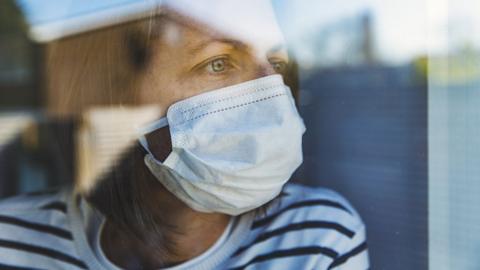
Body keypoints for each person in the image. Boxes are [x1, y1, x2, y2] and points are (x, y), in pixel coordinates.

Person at [0, 1, 369, 269]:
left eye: (275, 63)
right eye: (218, 63)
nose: (272, 91)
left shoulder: (317, 238)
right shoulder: (10, 241)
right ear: (113, 98)